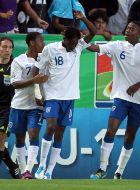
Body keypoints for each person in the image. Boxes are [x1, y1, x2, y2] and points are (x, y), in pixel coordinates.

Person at [88, 20, 140, 179]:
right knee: (111, 129)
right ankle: (102, 169)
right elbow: (94, 47)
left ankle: (119, 171)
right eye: (127, 27)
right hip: (121, 97)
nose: (127, 30)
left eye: (132, 29)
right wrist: (81, 41)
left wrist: (138, 85)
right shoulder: (116, 45)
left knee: (130, 135)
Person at [34, 11, 96, 180]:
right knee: (51, 127)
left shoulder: (78, 46)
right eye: (71, 42)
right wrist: (37, 91)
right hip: (52, 95)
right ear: (65, 39)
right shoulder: (50, 49)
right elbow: (37, 70)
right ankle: (40, 167)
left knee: (60, 134)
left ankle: (49, 171)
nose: (73, 46)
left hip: (69, 98)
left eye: (76, 42)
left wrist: (82, 17)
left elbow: (94, 31)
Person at [8, 32, 48, 179]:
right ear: (32, 43)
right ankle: (23, 170)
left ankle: (28, 171)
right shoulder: (19, 61)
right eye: (40, 41)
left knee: (33, 134)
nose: (43, 44)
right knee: (19, 139)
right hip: (19, 105)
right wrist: (34, 80)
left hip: (36, 106)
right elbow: (15, 84)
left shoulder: (45, 60)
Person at [0, 37, 21, 179]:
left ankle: (14, 169)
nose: (7, 50)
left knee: (0, 142)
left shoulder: (15, 66)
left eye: (9, 48)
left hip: (8, 109)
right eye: (4, 47)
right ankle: (14, 168)